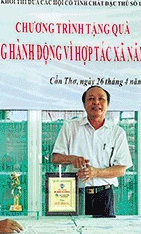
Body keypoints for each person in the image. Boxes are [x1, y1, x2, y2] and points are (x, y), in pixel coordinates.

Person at [51, 86, 133, 217]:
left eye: (101, 99)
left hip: (104, 194)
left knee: (104, 230)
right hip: (73, 193)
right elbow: (55, 158)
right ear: (84, 104)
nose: (96, 102)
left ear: (107, 104)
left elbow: (121, 170)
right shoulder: (70, 127)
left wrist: (96, 172)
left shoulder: (117, 133)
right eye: (91, 99)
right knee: (69, 229)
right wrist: (72, 159)